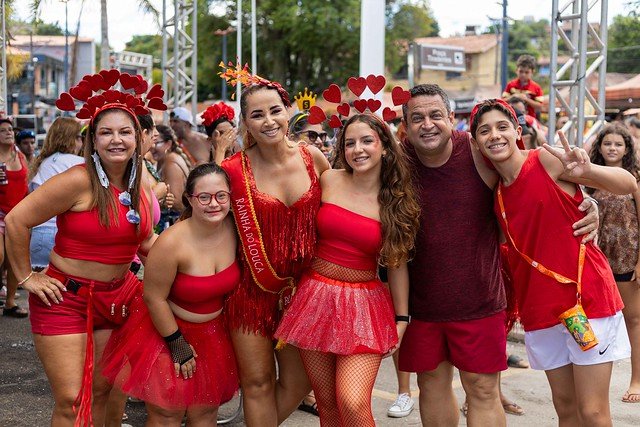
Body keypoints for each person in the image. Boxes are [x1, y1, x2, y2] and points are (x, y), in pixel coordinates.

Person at [397, 84, 599, 427]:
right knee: (430, 383)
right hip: (420, 305)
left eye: (435, 116)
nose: (427, 124)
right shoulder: (398, 162)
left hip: (480, 301)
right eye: (417, 118)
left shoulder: (479, 153)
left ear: (451, 119)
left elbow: (530, 180)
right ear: (406, 126)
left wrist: (584, 201)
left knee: (482, 389)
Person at [469, 98, 635, 426]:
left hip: (586, 301)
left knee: (593, 412)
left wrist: (586, 171)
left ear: (517, 131)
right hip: (541, 313)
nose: (495, 136)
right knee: (566, 412)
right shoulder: (497, 193)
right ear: (476, 142)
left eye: (502, 127)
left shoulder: (545, 160)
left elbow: (628, 184)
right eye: (485, 131)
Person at [5, 79, 158, 425]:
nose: (116, 140)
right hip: (66, 300)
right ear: (92, 140)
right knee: (72, 400)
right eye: (106, 133)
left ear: (138, 138)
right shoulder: (78, 179)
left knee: (104, 391)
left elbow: (146, 241)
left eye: (124, 132)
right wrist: (28, 276)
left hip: (119, 298)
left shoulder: (138, 183)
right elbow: (17, 220)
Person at [275, 113, 420, 426]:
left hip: (363, 306)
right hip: (314, 299)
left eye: (367, 141)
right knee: (327, 405)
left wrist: (402, 319)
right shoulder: (328, 179)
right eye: (350, 142)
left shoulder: (395, 201)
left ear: (384, 147)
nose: (358, 149)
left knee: (352, 402)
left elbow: (397, 267)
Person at [220, 71, 330, 426]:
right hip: (250, 292)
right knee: (257, 383)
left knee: (298, 382)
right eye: (257, 114)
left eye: (275, 111)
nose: (268, 121)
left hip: (304, 294)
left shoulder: (313, 158)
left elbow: (340, 210)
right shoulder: (231, 171)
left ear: (288, 112)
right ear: (245, 123)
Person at [102, 163, 239, 425]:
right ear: (189, 198)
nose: (214, 204)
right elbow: (154, 297)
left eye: (221, 196)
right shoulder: (171, 242)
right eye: (204, 197)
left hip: (213, 333)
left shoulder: (234, 230)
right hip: (165, 332)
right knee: (167, 411)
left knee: (205, 412)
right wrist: (177, 345)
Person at [588, 123, 640, 403]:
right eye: (607, 143)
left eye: (618, 144)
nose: (612, 148)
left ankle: (636, 380)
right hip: (597, 261)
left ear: (627, 149)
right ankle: (594, 388)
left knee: (634, 320)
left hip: (627, 259)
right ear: (600, 147)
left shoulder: (635, 178)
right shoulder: (590, 179)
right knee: (599, 323)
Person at [28, 118, 84, 271]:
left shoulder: (44, 162)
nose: (82, 142)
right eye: (79, 137)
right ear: (70, 139)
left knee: (40, 291)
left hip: (39, 234)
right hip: (64, 234)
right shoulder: (79, 163)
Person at [0, 117, 29, 318]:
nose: (9, 133)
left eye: (10, 130)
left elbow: (27, 184)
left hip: (17, 214)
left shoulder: (20, 156)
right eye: (3, 130)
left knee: (13, 262)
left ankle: (10, 303)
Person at [152, 124, 190, 214]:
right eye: (151, 142)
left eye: (156, 143)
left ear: (168, 144)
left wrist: (156, 199)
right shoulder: (164, 160)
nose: (152, 147)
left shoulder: (171, 163)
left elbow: (179, 203)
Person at [502, 54, 544, 119]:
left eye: (527, 72)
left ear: (532, 72)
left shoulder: (536, 88)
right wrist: (513, 97)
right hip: (512, 118)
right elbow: (502, 101)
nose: (523, 74)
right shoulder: (510, 85)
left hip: (529, 119)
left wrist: (526, 99)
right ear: (516, 71)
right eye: (521, 71)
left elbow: (540, 106)